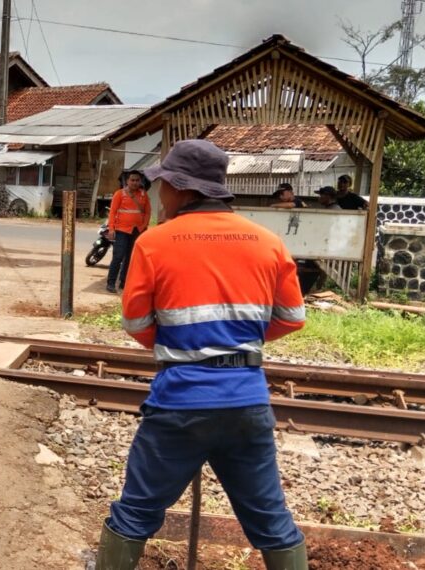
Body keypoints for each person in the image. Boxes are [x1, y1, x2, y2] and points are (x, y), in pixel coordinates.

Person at [94, 140, 308, 570]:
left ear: (180, 187)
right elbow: (292, 317)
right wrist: (238, 341)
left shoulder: (154, 244)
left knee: (135, 512)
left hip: (179, 403)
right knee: (271, 520)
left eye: (162, 186)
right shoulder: (268, 242)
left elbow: (137, 324)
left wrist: (183, 347)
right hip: (246, 402)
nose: (159, 195)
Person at [104, 170, 152, 293]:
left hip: (137, 231)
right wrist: (111, 228)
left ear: (140, 181)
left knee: (130, 258)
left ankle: (124, 282)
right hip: (121, 230)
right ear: (127, 181)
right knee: (118, 256)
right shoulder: (119, 194)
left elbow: (147, 212)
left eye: (137, 180)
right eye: (132, 180)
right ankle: (110, 283)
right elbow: (112, 212)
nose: (135, 182)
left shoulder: (143, 194)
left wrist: (143, 227)